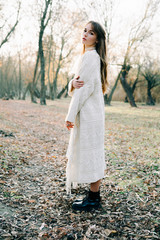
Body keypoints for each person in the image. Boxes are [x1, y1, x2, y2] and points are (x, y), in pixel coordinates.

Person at [65, 21, 108, 211]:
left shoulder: (90, 57)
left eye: (91, 33)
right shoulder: (89, 56)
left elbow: (83, 92)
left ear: (97, 39)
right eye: (84, 30)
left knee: (92, 153)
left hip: (90, 114)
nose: (85, 34)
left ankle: (93, 199)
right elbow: (79, 85)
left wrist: (70, 115)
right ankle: (93, 197)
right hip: (93, 113)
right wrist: (71, 83)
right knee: (93, 152)